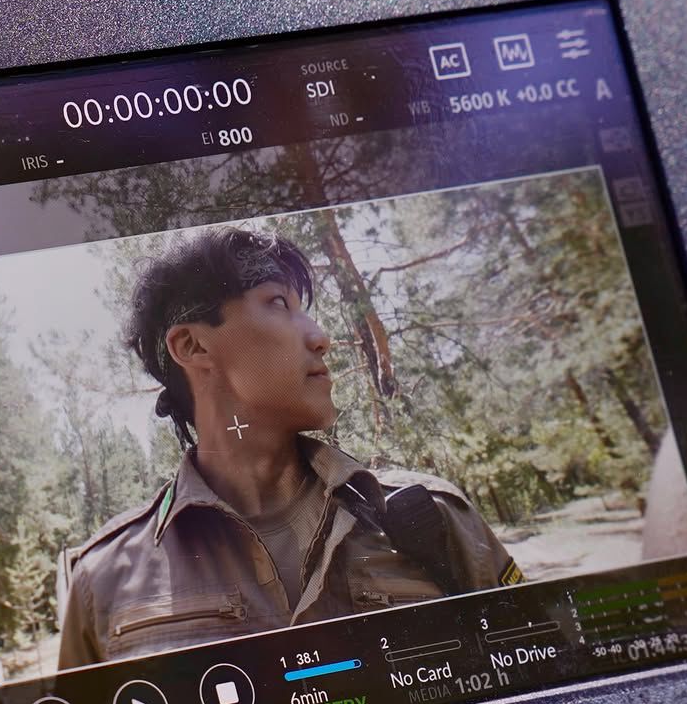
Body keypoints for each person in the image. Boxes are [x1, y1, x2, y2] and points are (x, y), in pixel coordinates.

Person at [58, 226, 521, 669]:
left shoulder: (435, 517)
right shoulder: (104, 579)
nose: (321, 338)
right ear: (194, 346)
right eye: (278, 302)